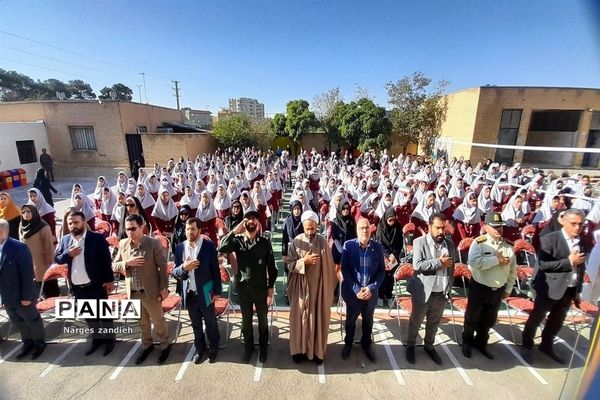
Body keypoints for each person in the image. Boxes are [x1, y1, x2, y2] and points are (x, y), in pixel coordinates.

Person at [521, 208, 590, 364]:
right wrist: (569, 262)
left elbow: (581, 267)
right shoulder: (550, 239)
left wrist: (578, 290)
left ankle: (546, 345)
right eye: (573, 224)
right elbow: (544, 264)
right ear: (563, 221)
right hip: (549, 288)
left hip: (569, 289)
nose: (577, 228)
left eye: (580, 224)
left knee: (557, 321)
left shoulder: (582, 242)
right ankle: (527, 345)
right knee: (536, 318)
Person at [217, 210, 277, 363]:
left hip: (261, 288)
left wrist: (270, 289)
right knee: (246, 321)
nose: (251, 222)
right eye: (248, 219)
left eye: (254, 219)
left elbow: (271, 267)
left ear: (258, 223)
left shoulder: (264, 241)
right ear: (244, 223)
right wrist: (234, 231)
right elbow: (222, 248)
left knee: (263, 320)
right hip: (243, 289)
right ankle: (248, 348)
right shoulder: (237, 241)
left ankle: (263, 349)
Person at [112, 214, 171, 364]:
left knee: (158, 321)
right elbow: (114, 265)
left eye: (133, 228)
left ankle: (165, 346)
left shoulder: (153, 243)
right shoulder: (124, 244)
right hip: (133, 292)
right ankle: (147, 345)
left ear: (141, 227)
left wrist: (164, 288)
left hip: (150, 292)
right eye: (127, 229)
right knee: (142, 322)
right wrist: (127, 263)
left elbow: (163, 267)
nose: (130, 232)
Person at [55, 211, 116, 356]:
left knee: (104, 315)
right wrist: (67, 255)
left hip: (96, 285)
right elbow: (57, 259)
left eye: (76, 222)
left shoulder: (96, 238)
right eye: (70, 223)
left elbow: (106, 260)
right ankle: (97, 339)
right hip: (78, 288)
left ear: (83, 222)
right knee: (90, 316)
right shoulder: (65, 240)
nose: (73, 226)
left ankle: (109, 341)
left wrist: (109, 280)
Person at [462, 212, 517, 359]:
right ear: (486, 227)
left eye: (501, 227)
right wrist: (495, 260)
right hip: (480, 287)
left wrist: (508, 289)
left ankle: (481, 343)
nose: (499, 230)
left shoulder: (509, 246)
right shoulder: (479, 243)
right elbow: (474, 263)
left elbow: (513, 270)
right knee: (472, 317)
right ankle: (467, 341)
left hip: (498, 289)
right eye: (495, 227)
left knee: (489, 319)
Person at [287, 210, 337, 364]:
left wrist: (325, 290)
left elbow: (329, 268)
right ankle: (298, 351)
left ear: (317, 226)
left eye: (313, 228)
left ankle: (316, 352)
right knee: (299, 319)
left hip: (317, 290)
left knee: (317, 319)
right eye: (307, 229)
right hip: (300, 289)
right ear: (303, 227)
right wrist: (304, 261)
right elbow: (289, 265)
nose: (310, 232)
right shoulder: (296, 242)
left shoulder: (322, 242)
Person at [406, 213, 455, 365]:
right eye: (437, 228)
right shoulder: (419, 242)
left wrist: (449, 288)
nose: (441, 231)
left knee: (434, 323)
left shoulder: (450, 244)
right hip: (424, 292)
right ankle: (410, 346)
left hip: (441, 293)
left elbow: (451, 269)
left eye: (443, 228)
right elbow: (418, 265)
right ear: (429, 227)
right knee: (416, 322)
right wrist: (439, 263)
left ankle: (429, 346)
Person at [172, 218, 222, 364]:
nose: (189, 232)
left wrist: (217, 291)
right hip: (189, 293)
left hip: (206, 291)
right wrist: (184, 268)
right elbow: (175, 272)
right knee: (195, 324)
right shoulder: (180, 247)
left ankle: (214, 346)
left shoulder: (209, 246)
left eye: (192, 229)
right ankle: (200, 348)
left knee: (210, 321)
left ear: (199, 230)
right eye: (187, 229)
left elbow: (215, 271)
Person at [340, 217, 385, 362]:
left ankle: (366, 344)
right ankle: (348, 344)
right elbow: (345, 270)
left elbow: (381, 271)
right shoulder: (348, 246)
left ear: (371, 229)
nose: (364, 230)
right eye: (361, 228)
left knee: (368, 321)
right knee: (351, 321)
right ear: (357, 230)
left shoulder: (377, 247)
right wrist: (357, 289)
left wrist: (371, 288)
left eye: (367, 227)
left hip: (370, 293)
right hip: (354, 293)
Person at [0, 218, 46, 359]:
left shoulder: (19, 247)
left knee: (32, 320)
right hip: (8, 297)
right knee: (18, 322)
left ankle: (39, 344)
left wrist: (26, 297)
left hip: (22, 296)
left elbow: (27, 274)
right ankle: (27, 343)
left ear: (6, 231)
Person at [19, 205, 59, 298]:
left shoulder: (42, 226)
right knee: (36, 280)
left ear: (34, 212)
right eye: (23, 212)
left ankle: (53, 299)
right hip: (30, 259)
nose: (26, 214)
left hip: (43, 260)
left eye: (28, 212)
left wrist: (48, 261)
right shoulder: (22, 225)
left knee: (48, 281)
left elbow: (48, 246)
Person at [375, 207, 403, 307]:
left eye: (393, 220)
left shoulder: (397, 227)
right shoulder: (381, 227)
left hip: (394, 257)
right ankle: (380, 296)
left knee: (391, 276)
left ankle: (389, 295)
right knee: (383, 275)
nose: (391, 222)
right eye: (389, 220)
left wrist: (394, 255)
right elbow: (380, 243)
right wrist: (387, 255)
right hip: (383, 255)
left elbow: (400, 243)